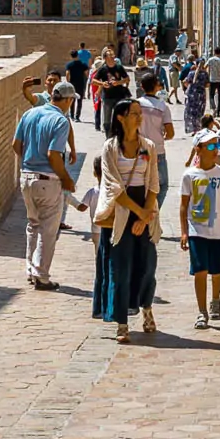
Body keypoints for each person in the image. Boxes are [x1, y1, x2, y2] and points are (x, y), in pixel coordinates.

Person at [92, 99, 160, 342]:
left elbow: (153, 183)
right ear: (120, 117)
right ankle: (122, 322)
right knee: (120, 269)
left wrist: (145, 213)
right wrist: (137, 213)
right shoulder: (110, 148)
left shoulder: (148, 147)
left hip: (145, 208)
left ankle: (147, 307)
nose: (139, 117)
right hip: (121, 213)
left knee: (147, 267)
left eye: (140, 113)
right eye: (134, 113)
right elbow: (113, 187)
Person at [14, 82, 79, 289]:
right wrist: (66, 178)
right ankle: (41, 276)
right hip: (47, 180)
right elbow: (53, 155)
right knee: (47, 230)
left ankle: (31, 270)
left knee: (33, 224)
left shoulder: (30, 114)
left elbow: (16, 145)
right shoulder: (60, 120)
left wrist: (29, 162)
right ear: (68, 100)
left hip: (26, 177)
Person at [176, 123, 220, 328]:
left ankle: (215, 299)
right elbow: (183, 206)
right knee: (200, 271)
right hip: (196, 230)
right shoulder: (189, 176)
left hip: (217, 231)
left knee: (216, 271)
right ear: (198, 148)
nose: (215, 150)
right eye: (209, 146)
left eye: (216, 146)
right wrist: (183, 232)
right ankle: (202, 311)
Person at [134, 69, 178, 209]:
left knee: (140, 182)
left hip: (137, 149)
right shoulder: (162, 106)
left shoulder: (135, 105)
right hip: (157, 151)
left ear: (142, 87)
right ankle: (153, 211)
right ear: (157, 87)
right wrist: (161, 136)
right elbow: (170, 133)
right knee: (161, 184)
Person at [93, 48, 131, 134]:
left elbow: (127, 79)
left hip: (119, 96)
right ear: (106, 58)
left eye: (113, 55)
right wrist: (102, 84)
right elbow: (94, 81)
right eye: (110, 55)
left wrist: (118, 82)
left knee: (120, 117)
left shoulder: (119, 67)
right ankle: (108, 137)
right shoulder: (103, 69)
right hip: (107, 97)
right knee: (107, 120)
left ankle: (119, 135)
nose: (113, 57)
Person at [182, 56, 207, 135]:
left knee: (192, 112)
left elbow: (185, 82)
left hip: (192, 94)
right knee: (200, 111)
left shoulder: (191, 73)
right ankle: (199, 128)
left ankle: (195, 129)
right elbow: (208, 85)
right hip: (201, 95)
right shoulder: (205, 74)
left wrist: (190, 87)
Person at [64, 49, 89, 122]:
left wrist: (68, 81)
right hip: (81, 84)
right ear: (77, 55)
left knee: (72, 99)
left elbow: (67, 74)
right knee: (80, 100)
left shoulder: (69, 65)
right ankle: (77, 116)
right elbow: (86, 73)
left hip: (72, 84)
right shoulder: (83, 64)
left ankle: (72, 115)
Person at [205, 47, 220, 112]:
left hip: (212, 80)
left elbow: (205, 67)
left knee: (211, 95)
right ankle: (218, 112)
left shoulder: (210, 60)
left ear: (214, 52)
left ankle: (213, 107)